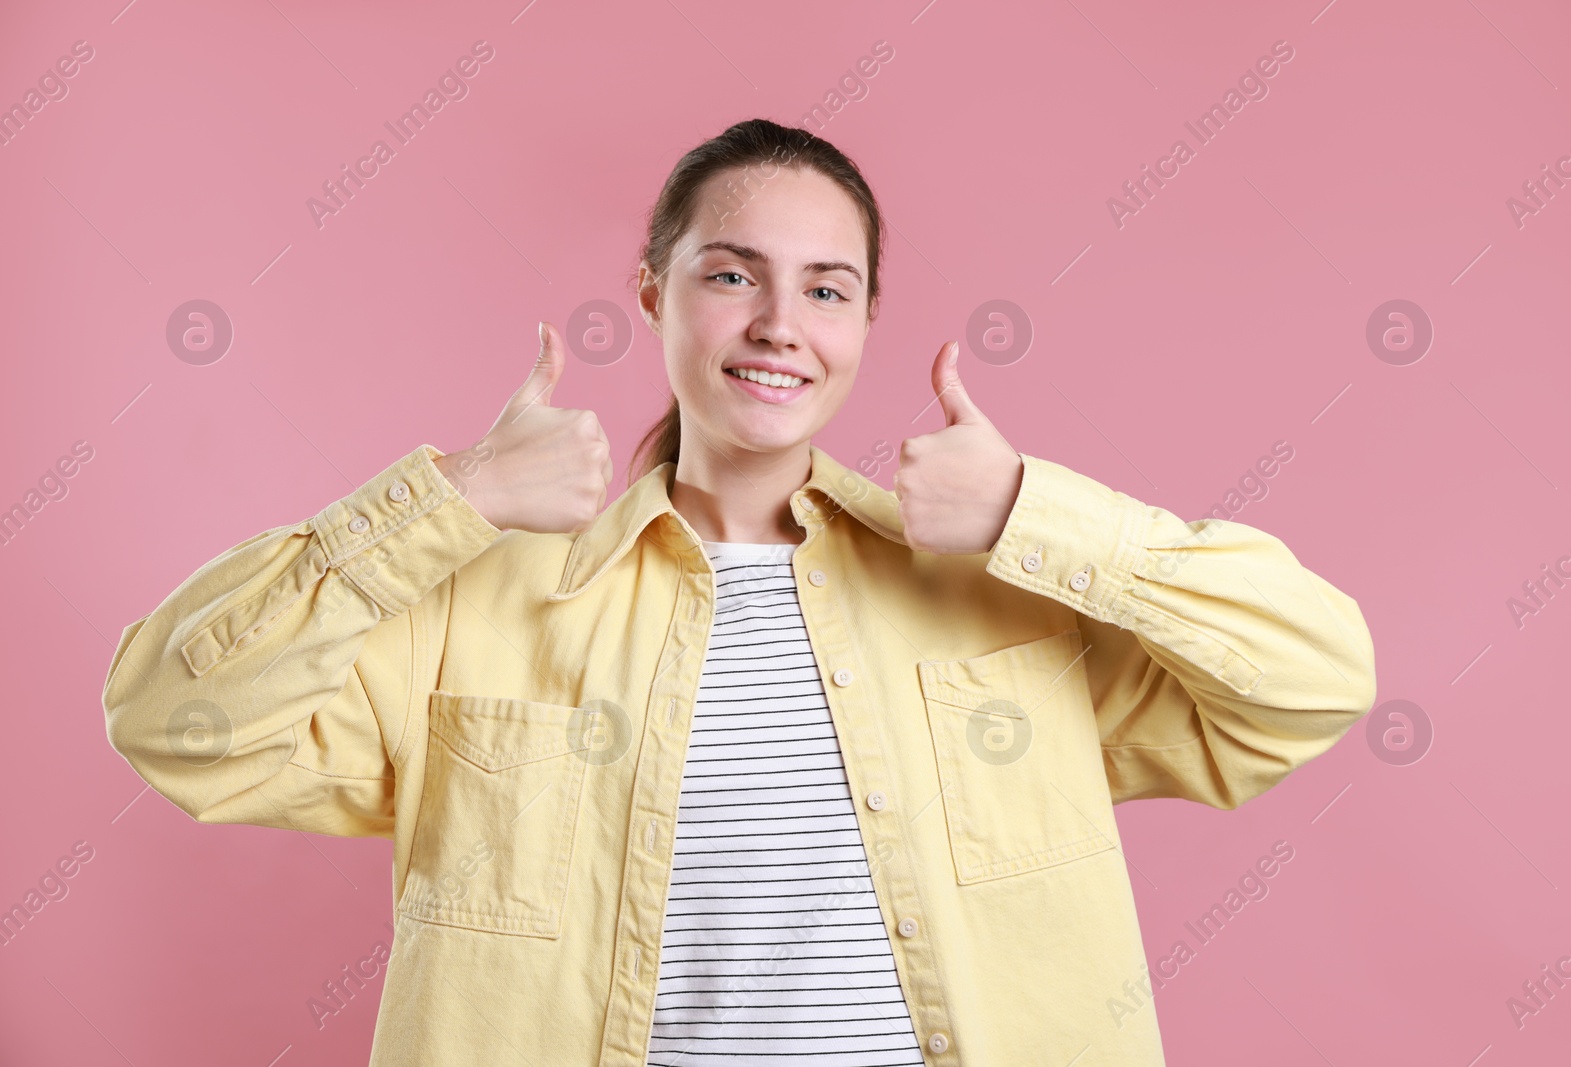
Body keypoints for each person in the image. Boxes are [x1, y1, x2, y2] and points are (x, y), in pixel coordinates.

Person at [103, 118, 1377, 1067]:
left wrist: (1033, 514)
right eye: (731, 274)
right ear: (654, 292)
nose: (780, 323)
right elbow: (174, 716)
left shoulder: (1011, 593)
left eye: (827, 288)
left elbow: (1315, 680)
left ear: (866, 322)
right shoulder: (472, 605)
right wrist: (456, 499)